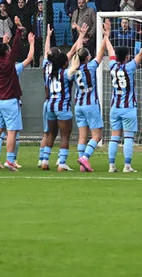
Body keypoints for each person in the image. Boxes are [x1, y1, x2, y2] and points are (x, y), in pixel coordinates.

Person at [103, 23, 142, 173]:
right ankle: (127, 166)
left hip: (115, 107)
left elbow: (110, 50)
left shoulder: (112, 66)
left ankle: (111, 166)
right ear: (127, 56)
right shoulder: (130, 67)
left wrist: (106, 36)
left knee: (114, 137)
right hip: (128, 108)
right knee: (128, 137)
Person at [0, 16, 35, 171]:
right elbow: (16, 47)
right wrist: (18, 30)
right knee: (11, 132)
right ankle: (10, 160)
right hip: (10, 101)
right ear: (7, 52)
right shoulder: (10, 63)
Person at [67, 21, 108, 173]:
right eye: (89, 54)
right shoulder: (90, 66)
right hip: (91, 105)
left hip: (79, 105)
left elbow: (79, 51)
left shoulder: (74, 69)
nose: (91, 55)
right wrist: (106, 36)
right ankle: (85, 158)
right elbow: (101, 51)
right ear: (87, 58)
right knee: (97, 136)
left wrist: (81, 35)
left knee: (82, 136)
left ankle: (82, 165)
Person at [39, 24, 80, 172]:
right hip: (62, 106)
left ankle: (44, 160)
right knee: (65, 136)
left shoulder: (47, 69)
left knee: (50, 134)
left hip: (50, 104)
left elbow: (46, 52)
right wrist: (80, 36)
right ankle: (62, 163)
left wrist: (48, 37)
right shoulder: (66, 73)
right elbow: (74, 53)